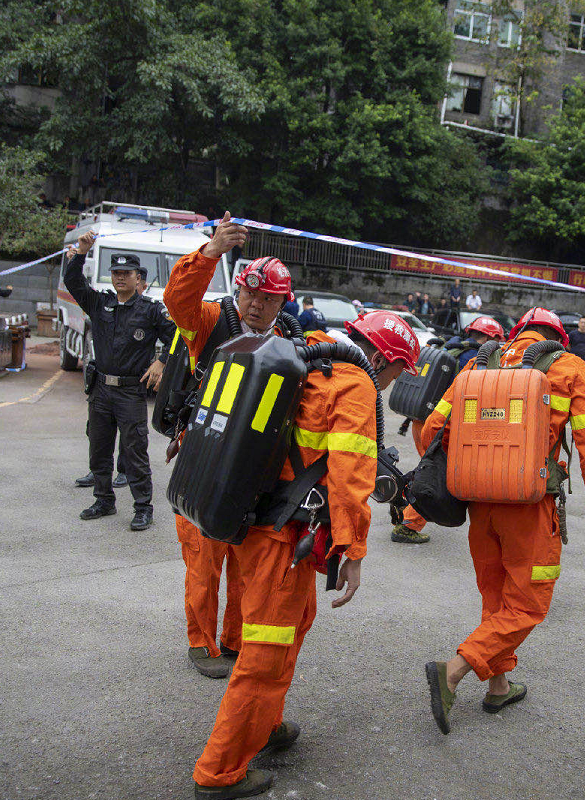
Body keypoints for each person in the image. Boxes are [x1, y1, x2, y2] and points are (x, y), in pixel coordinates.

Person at [186, 306, 418, 799]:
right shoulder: (352, 382)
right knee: (267, 649)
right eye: (398, 370)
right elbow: (351, 474)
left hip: (257, 524)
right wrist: (353, 551)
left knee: (293, 625)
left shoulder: (299, 352)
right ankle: (220, 769)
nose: (395, 382)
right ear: (384, 356)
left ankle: (264, 726)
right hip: (281, 538)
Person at [421, 307, 585, 734]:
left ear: (517, 333)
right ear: (558, 337)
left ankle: (499, 687)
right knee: (527, 604)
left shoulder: (479, 364)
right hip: (530, 507)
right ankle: (452, 671)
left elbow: (432, 428)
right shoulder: (568, 367)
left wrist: (468, 472)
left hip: (480, 505)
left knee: (497, 597)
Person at [164, 216, 298, 681]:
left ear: (283, 302)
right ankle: (200, 642)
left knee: (245, 564)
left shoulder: (288, 345)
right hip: (203, 458)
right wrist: (209, 253)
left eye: (268, 299)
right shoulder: (210, 322)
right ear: (238, 291)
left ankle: (234, 640)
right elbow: (177, 301)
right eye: (250, 295)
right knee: (203, 563)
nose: (257, 305)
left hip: (250, 471)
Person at [64, 233, 175, 531]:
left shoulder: (151, 309)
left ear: (138, 277)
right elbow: (73, 283)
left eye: (127, 273)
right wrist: (81, 253)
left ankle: (142, 507)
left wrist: (161, 360)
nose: (121, 277)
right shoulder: (100, 303)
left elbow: (179, 339)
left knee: (135, 450)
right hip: (100, 389)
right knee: (99, 448)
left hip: (130, 393)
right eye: (116, 273)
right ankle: (104, 499)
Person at [391, 315, 505, 545]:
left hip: (420, 420)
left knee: (427, 469)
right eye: (496, 341)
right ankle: (407, 526)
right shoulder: (473, 358)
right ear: (488, 337)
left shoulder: (450, 345)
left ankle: (402, 505)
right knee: (436, 477)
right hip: (438, 428)